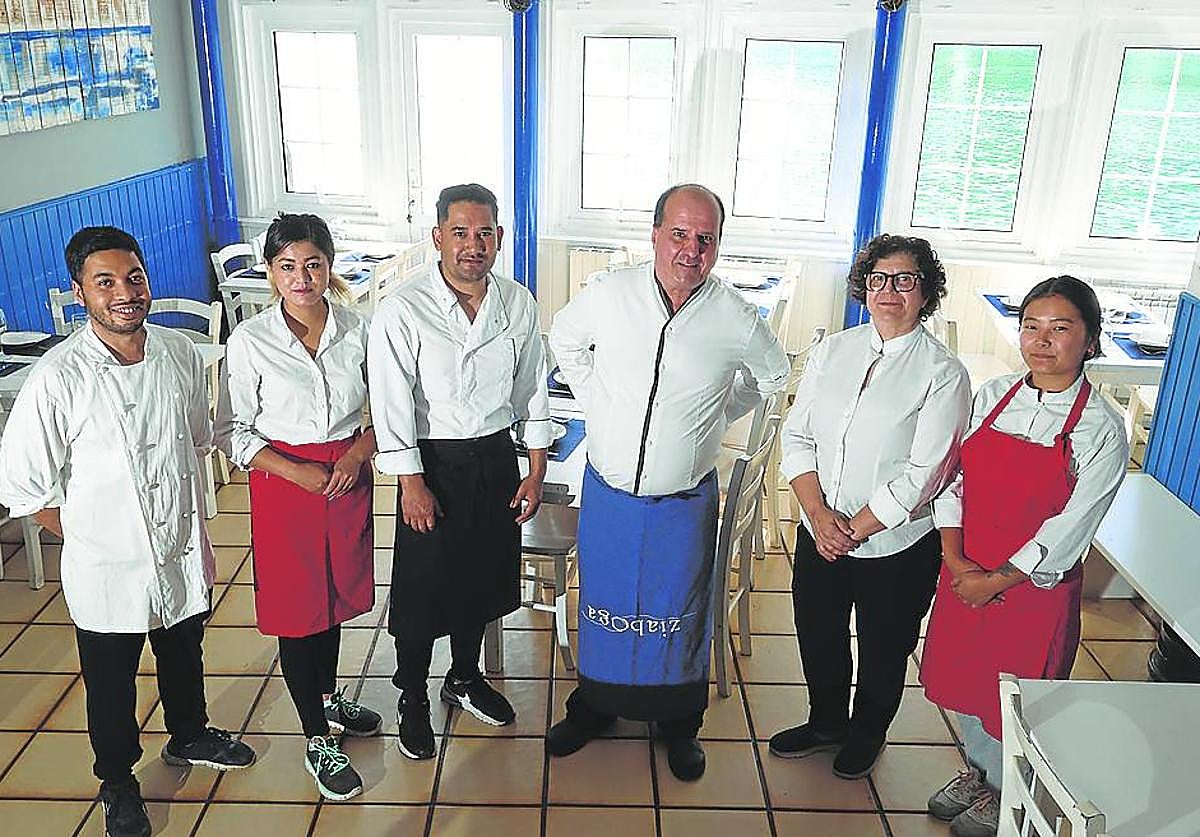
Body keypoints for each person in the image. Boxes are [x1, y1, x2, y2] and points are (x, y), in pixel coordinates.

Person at [0, 227, 256, 837]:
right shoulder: (57, 377)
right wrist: (91, 539)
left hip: (179, 545)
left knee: (182, 650)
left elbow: (198, 439)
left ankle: (189, 735)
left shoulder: (179, 353)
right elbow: (26, 489)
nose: (125, 293)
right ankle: (118, 780)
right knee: (110, 681)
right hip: (106, 565)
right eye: (105, 282)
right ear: (79, 292)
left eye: (133, 277)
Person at [546, 183, 789, 781]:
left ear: (718, 246)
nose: (691, 250)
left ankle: (678, 724)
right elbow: (565, 340)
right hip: (610, 491)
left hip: (683, 499)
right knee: (605, 607)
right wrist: (598, 402)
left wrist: (718, 412)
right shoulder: (612, 293)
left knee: (676, 615)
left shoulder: (735, 316)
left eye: (705, 239)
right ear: (655, 234)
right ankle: (595, 706)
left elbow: (774, 375)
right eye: (679, 234)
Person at [920, 276, 1128, 837]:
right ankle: (980, 773)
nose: (1042, 340)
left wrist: (997, 580)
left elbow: (1072, 526)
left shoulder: (1101, 427)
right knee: (965, 683)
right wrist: (956, 559)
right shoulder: (993, 397)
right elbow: (951, 480)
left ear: (1089, 340)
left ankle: (1008, 792)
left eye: (1060, 329)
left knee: (1017, 697)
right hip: (966, 571)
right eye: (1031, 327)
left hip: (1032, 590)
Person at [769, 234, 971, 780]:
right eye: (879, 279)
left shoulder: (943, 372)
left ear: (925, 293)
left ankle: (867, 733)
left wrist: (851, 530)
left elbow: (925, 474)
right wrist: (818, 516)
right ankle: (826, 722)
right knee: (818, 632)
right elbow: (799, 436)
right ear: (864, 287)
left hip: (896, 546)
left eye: (905, 280)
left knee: (884, 647)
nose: (890, 291)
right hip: (821, 530)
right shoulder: (833, 350)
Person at [368, 183, 551, 760]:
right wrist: (411, 483)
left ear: (499, 238)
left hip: (496, 458)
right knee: (423, 588)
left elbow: (533, 388)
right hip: (433, 464)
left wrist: (536, 465)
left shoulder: (517, 302)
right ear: (437, 238)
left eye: (485, 233)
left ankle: (465, 677)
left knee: (482, 577)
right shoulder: (403, 307)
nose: (473, 245)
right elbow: (391, 401)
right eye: (461, 233)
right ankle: (412, 695)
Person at [216, 213, 381, 801]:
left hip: (346, 477)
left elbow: (386, 412)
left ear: (330, 265)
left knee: (334, 598)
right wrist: (296, 470)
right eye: (287, 266)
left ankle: (329, 696)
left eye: (313, 264)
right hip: (285, 484)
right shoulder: (250, 340)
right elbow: (233, 432)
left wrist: (357, 455)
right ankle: (316, 736)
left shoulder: (361, 330)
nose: (302, 277)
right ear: (269, 272)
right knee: (296, 609)